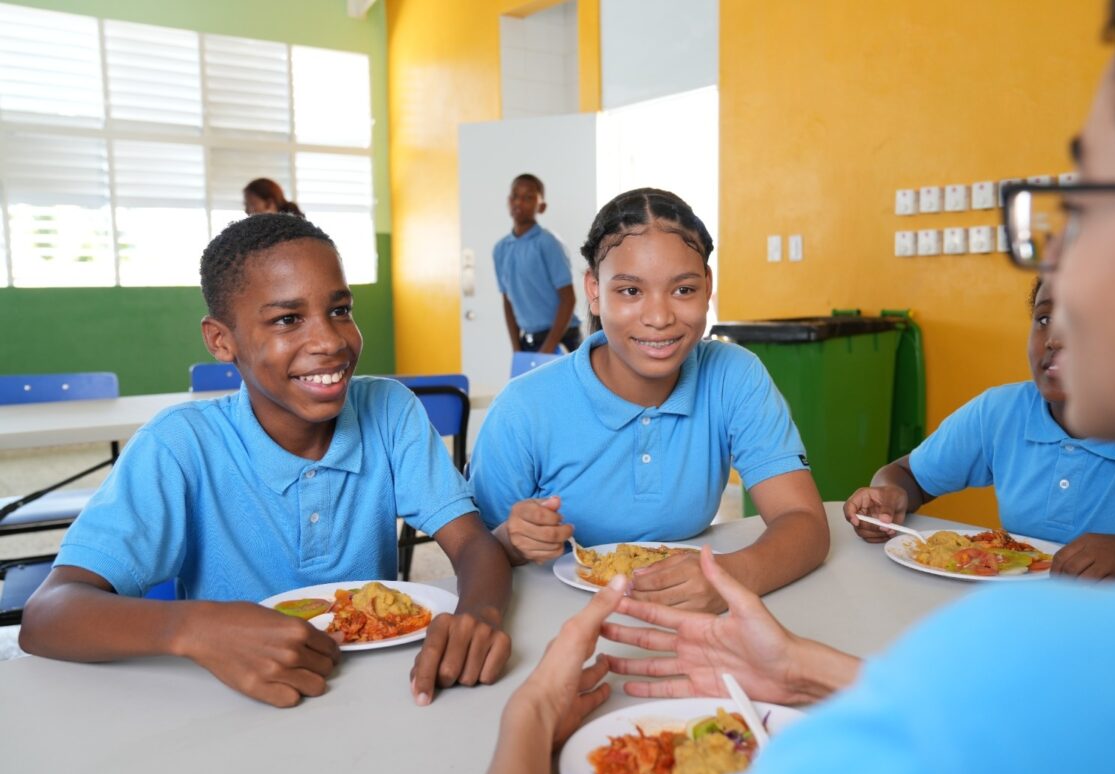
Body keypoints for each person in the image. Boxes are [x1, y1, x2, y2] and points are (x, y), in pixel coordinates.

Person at [477, 1, 1115, 774]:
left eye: (1084, 204)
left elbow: (965, 718)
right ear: (593, 292)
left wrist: (529, 720)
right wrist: (805, 670)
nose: (1052, 261)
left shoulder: (1025, 653)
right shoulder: (1083, 637)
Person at [20, 213, 512, 709]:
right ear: (221, 340)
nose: (331, 341)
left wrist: (478, 617)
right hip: (234, 705)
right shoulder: (181, 445)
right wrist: (193, 627)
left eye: (340, 310)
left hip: (377, 695)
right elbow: (48, 615)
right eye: (287, 319)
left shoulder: (390, 411)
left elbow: (472, 543)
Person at [470, 188, 829, 613]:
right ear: (594, 290)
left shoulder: (735, 376)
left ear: (707, 287)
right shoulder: (525, 407)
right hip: (556, 626)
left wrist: (728, 578)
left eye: (683, 290)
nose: (659, 318)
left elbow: (804, 522)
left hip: (687, 625)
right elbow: (476, 556)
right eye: (629, 291)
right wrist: (512, 540)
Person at [844, 275, 1115, 579]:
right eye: (1044, 319)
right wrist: (888, 497)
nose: (1054, 340)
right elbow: (909, 475)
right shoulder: (1001, 412)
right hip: (1026, 617)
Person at [493, 173, 582, 354]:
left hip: (562, 339)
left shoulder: (548, 243)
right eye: (515, 196)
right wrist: (516, 349)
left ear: (541, 206)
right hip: (529, 342)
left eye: (528, 197)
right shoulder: (501, 249)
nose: (519, 202)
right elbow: (507, 302)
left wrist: (548, 348)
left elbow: (568, 299)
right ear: (509, 201)